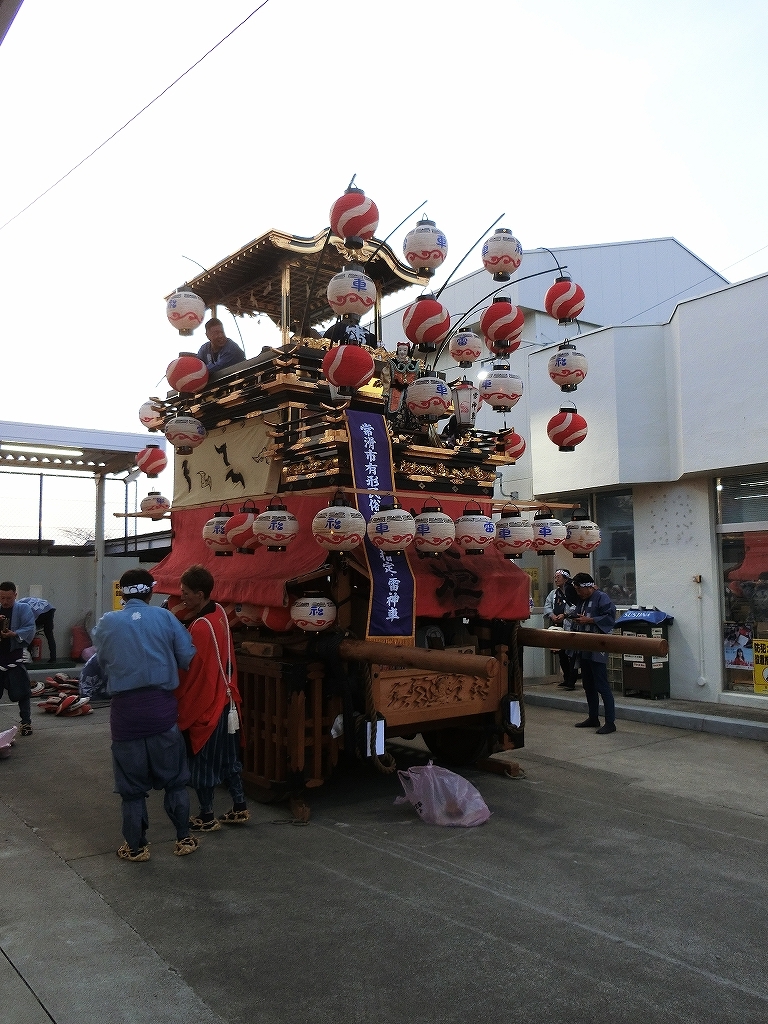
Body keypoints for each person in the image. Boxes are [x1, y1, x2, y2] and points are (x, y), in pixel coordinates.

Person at [92, 568, 198, 862]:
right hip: (162, 711)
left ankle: (136, 848)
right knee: (175, 781)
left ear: (122, 594)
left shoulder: (108, 622)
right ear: (150, 592)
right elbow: (187, 655)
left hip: (125, 716)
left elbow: (101, 661)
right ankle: (183, 838)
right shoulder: (165, 617)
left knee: (132, 789)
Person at [175, 565, 249, 832]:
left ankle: (207, 816)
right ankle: (239, 806)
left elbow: (193, 672)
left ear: (200, 594)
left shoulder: (200, 628)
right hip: (228, 699)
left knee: (203, 762)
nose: (182, 596)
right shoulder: (219, 613)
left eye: (186, 592)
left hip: (209, 704)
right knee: (230, 759)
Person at [570, 572, 617, 734]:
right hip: (584, 646)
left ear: (588, 587)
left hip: (598, 646)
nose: (578, 593)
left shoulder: (602, 597)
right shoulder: (582, 600)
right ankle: (593, 717)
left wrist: (589, 620)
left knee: (602, 685)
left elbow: (610, 618)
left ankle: (610, 722)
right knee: (588, 684)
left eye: (579, 589)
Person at [0, 583, 37, 736]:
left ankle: (26, 722)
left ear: (15, 595)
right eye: (2, 598)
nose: (5, 601)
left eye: (9, 598)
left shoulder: (23, 608)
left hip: (14, 657)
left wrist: (14, 634)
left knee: (23, 692)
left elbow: (30, 627)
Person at [544, 569, 577, 689]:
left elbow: (576, 606)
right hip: (558, 626)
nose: (556, 579)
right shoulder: (553, 593)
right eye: (555, 577)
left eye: (559, 577)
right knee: (561, 654)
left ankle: (572, 681)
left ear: (566, 579)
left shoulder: (572, 593)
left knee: (571, 655)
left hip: (570, 626)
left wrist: (565, 615)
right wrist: (552, 615)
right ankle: (566, 678)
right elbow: (547, 605)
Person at [17, 596, 56, 662]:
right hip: (49, 608)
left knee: (30, 633)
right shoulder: (19, 603)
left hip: (39, 611)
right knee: (49, 635)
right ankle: (53, 658)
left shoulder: (17, 608)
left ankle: (28, 656)